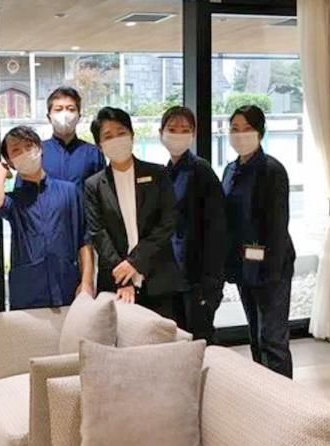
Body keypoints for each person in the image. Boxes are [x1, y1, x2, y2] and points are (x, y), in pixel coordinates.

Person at [85, 107, 183, 318]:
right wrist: (124, 277)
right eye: (108, 136)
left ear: (132, 135)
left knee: (163, 336)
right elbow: (98, 233)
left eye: (121, 133)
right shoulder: (94, 185)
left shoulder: (158, 174)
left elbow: (168, 222)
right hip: (116, 282)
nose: (116, 140)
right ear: (99, 145)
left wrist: (135, 262)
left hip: (158, 277)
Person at [222, 105, 296, 378]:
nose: (240, 135)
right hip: (244, 266)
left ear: (260, 132)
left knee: (272, 338)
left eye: (247, 129)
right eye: (235, 129)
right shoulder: (231, 170)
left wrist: (268, 269)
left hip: (271, 268)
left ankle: (284, 396)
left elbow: (277, 226)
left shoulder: (272, 170)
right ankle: (263, 391)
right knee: (255, 334)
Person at [0, 126, 92, 310]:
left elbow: (84, 240)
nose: (25, 153)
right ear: (10, 161)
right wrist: (1, 170)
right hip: (28, 288)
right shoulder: (14, 200)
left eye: (29, 146)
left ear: (40, 149)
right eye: (16, 150)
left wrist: (87, 282)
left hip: (67, 283)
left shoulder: (69, 191)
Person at [159, 106, 226, 343]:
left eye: (185, 130)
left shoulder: (201, 171)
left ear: (193, 135)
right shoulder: (166, 172)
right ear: (161, 133)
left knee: (200, 339)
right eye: (172, 129)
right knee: (179, 339)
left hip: (198, 277)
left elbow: (217, 228)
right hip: (174, 276)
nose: (178, 135)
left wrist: (211, 281)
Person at [41, 86, 105, 188]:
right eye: (58, 109)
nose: (64, 114)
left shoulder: (93, 153)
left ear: (78, 116)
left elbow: (102, 191)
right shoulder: (37, 152)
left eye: (71, 109)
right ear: (49, 117)